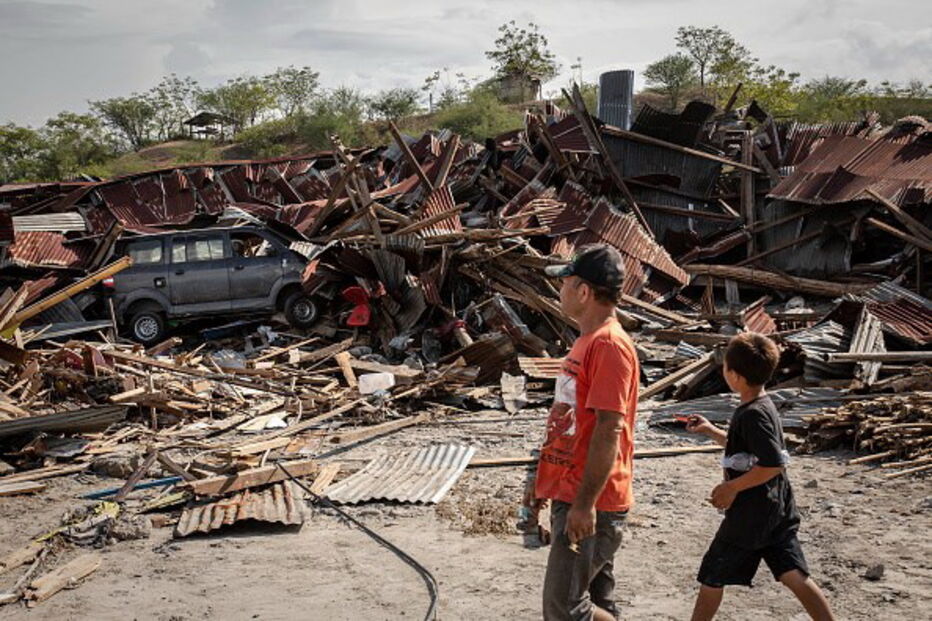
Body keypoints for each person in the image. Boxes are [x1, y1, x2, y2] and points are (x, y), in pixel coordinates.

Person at [685, 333, 834, 621]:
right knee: (793, 572)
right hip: (775, 508)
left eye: (726, 367)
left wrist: (732, 487)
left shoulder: (753, 414)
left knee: (712, 574)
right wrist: (710, 431)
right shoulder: (761, 406)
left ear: (736, 376)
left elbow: (773, 463)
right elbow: (749, 451)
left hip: (751, 513)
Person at [536, 244, 640, 621]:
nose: (559, 291)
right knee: (593, 601)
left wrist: (583, 504)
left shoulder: (609, 346)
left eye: (565, 283)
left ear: (583, 291)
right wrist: (542, 486)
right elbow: (572, 425)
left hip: (594, 500)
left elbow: (610, 429)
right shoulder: (586, 342)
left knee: (564, 608)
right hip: (576, 491)